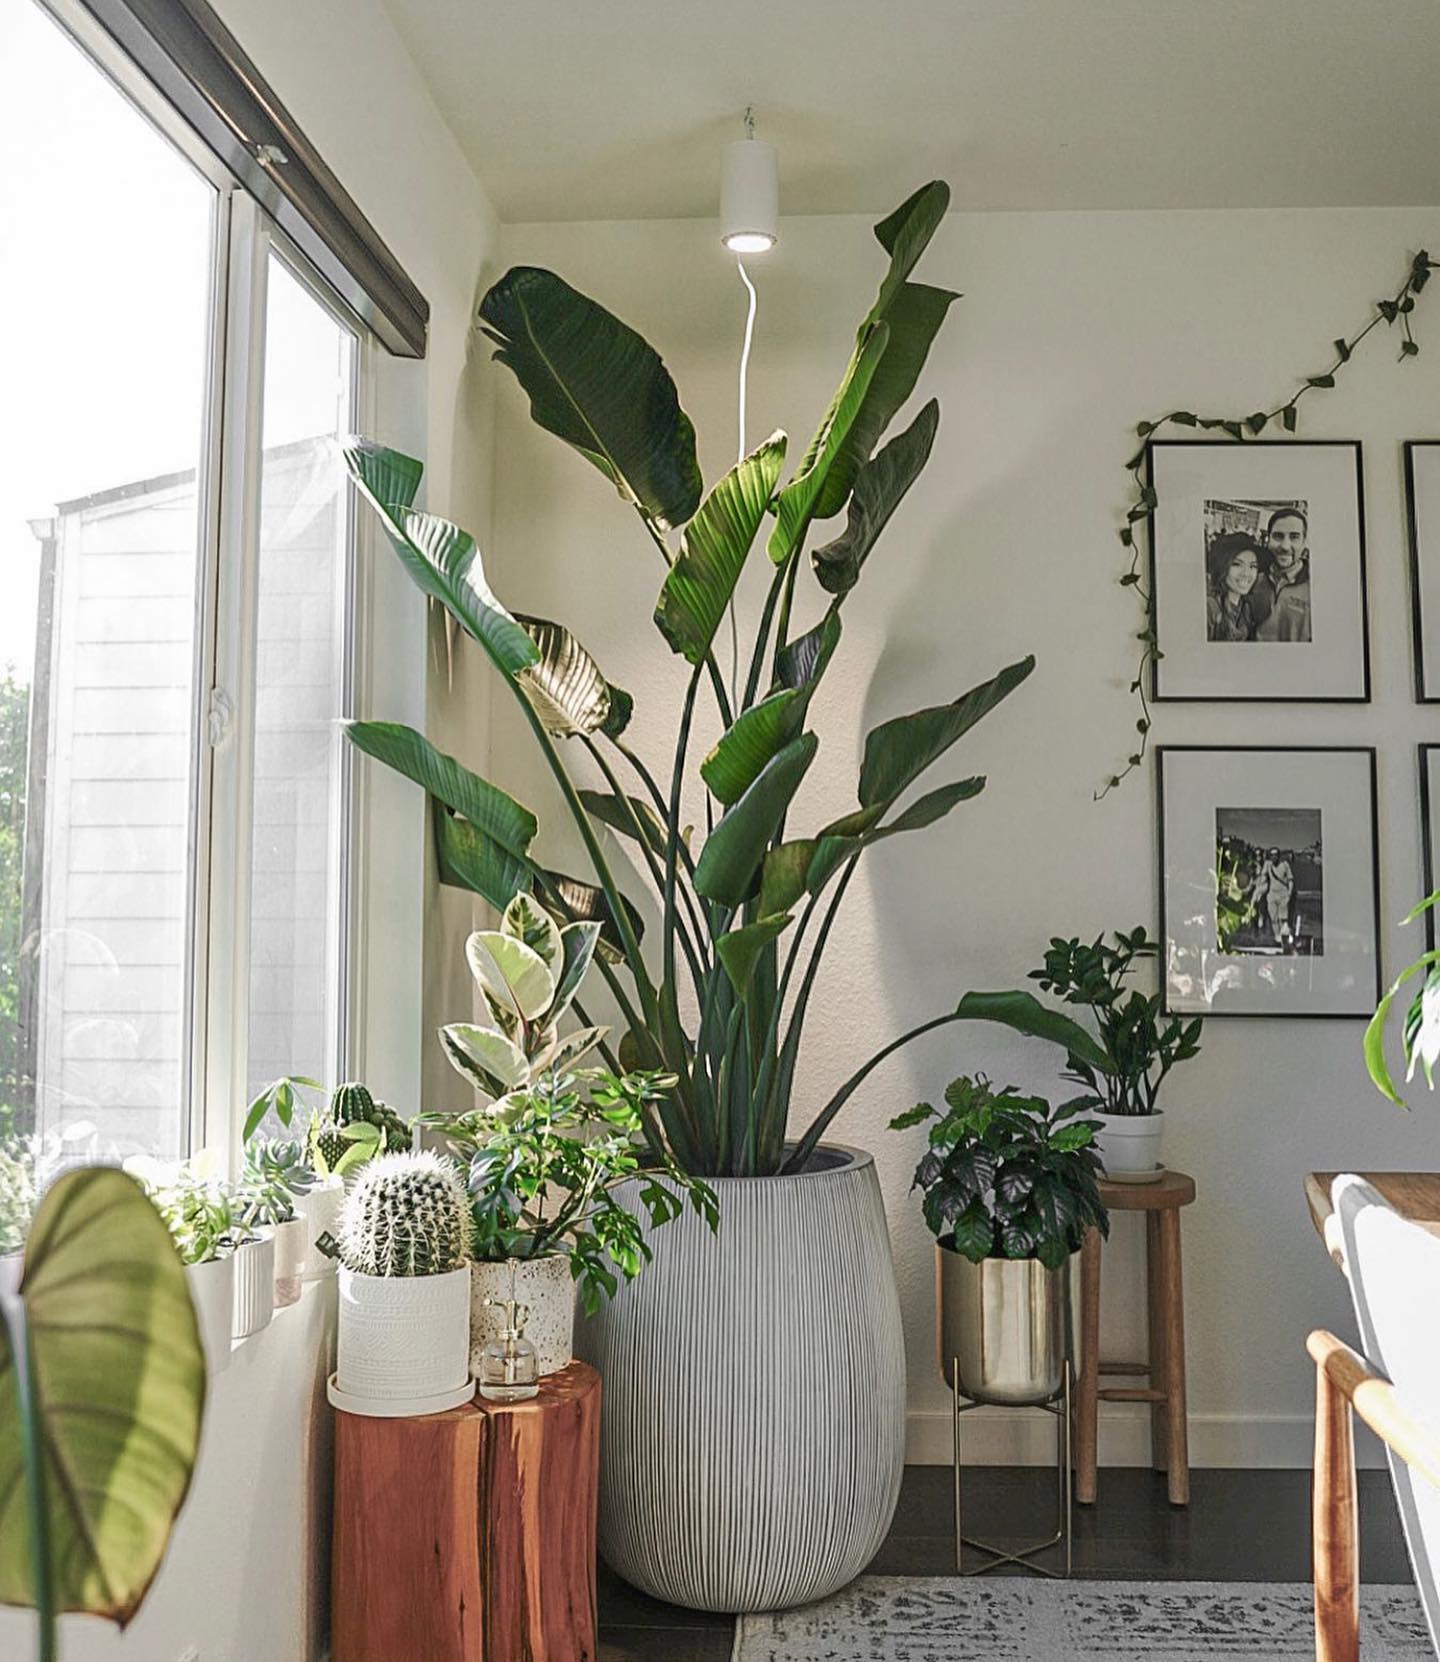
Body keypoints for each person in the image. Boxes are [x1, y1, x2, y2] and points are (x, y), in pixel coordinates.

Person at [1251, 507, 1311, 642]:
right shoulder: (1253, 580)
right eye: (1278, 536)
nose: (1285, 546)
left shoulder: (1316, 588)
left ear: (1304, 542)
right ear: (1268, 539)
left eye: (1294, 537)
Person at [1205, 532, 1263, 641]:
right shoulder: (1210, 608)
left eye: (1253, 566)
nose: (1246, 573)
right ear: (1222, 567)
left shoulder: (1246, 608)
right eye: (1237, 564)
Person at [1249, 846, 1297, 949]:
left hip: (1283, 894)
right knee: (1273, 919)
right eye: (1272, 855)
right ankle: (1278, 939)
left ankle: (1285, 940)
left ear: (1279, 855)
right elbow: (1262, 879)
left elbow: (1290, 880)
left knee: (1283, 919)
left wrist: (1289, 893)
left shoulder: (1284, 865)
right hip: (1272, 895)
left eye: (1276, 854)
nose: (1274, 856)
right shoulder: (1268, 865)